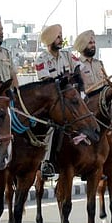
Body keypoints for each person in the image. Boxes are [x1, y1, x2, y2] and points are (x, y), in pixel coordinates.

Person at [34, 23, 76, 178]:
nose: (61, 39)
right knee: (52, 126)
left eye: (61, 36)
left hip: (68, 100)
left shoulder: (67, 55)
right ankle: (46, 162)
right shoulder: (42, 59)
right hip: (49, 102)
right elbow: (47, 84)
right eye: (58, 37)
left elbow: (78, 71)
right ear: (50, 39)